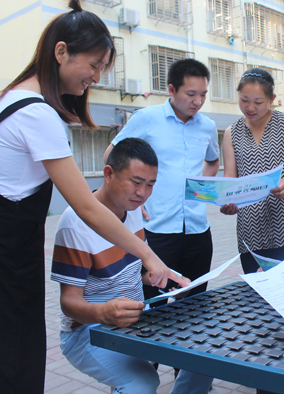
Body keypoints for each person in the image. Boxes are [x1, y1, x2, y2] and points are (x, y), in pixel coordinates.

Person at [0, 0, 184, 394]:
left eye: (102, 68)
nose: (95, 77)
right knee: (10, 370)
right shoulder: (36, 114)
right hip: (4, 263)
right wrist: (149, 256)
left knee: (1, 366)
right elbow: (85, 207)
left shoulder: (10, 99)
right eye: (93, 65)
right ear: (61, 52)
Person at [51, 138, 213, 394]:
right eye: (136, 182)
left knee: (206, 351)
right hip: (88, 330)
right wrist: (103, 313)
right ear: (108, 174)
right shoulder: (75, 224)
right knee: (142, 383)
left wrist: (168, 280)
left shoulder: (134, 209)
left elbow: (135, 272)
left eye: (150, 185)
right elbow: (68, 302)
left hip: (135, 318)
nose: (142, 193)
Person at [104, 59, 220, 303]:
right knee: (153, 303)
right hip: (157, 229)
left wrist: (201, 189)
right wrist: (130, 197)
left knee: (196, 302)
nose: (198, 101)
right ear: (171, 89)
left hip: (198, 230)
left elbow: (212, 161)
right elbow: (111, 156)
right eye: (191, 94)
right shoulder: (146, 118)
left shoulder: (207, 126)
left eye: (203, 94)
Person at [220, 68, 284, 273]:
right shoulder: (231, 133)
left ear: (272, 99)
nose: (250, 107)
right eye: (244, 100)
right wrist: (228, 201)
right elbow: (230, 179)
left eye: (258, 102)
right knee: (257, 288)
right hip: (251, 229)